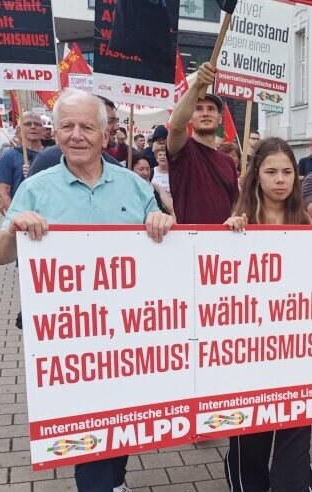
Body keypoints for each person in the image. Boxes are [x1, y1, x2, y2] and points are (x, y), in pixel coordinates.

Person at [0, 88, 174, 492]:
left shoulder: (134, 186)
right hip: (69, 336)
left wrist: (163, 224)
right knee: (85, 426)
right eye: (67, 126)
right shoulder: (36, 188)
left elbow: (167, 249)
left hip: (129, 329)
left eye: (87, 127)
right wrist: (13, 228)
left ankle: (117, 481)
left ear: (106, 132)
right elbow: (1, 257)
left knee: (123, 416)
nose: (76, 135)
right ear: (54, 133)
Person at [224, 137, 311, 492]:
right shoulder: (236, 225)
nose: (280, 179)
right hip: (249, 361)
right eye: (271, 171)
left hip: (296, 356)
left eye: (287, 171)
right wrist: (227, 240)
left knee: (294, 449)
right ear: (255, 175)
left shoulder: (306, 223)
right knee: (250, 447)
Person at [167, 61, 239, 224]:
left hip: (222, 243)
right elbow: (177, 125)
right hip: (189, 242)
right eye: (198, 109)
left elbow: (235, 202)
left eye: (211, 109)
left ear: (220, 118)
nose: (205, 113)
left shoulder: (228, 161)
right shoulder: (183, 148)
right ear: (190, 117)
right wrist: (197, 85)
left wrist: (235, 217)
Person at [0, 111, 43, 216]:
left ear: (42, 129)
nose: (33, 127)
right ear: (18, 131)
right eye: (27, 124)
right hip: (23, 217)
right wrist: (15, 218)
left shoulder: (52, 154)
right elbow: (3, 192)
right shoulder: (9, 156)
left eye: (37, 124)